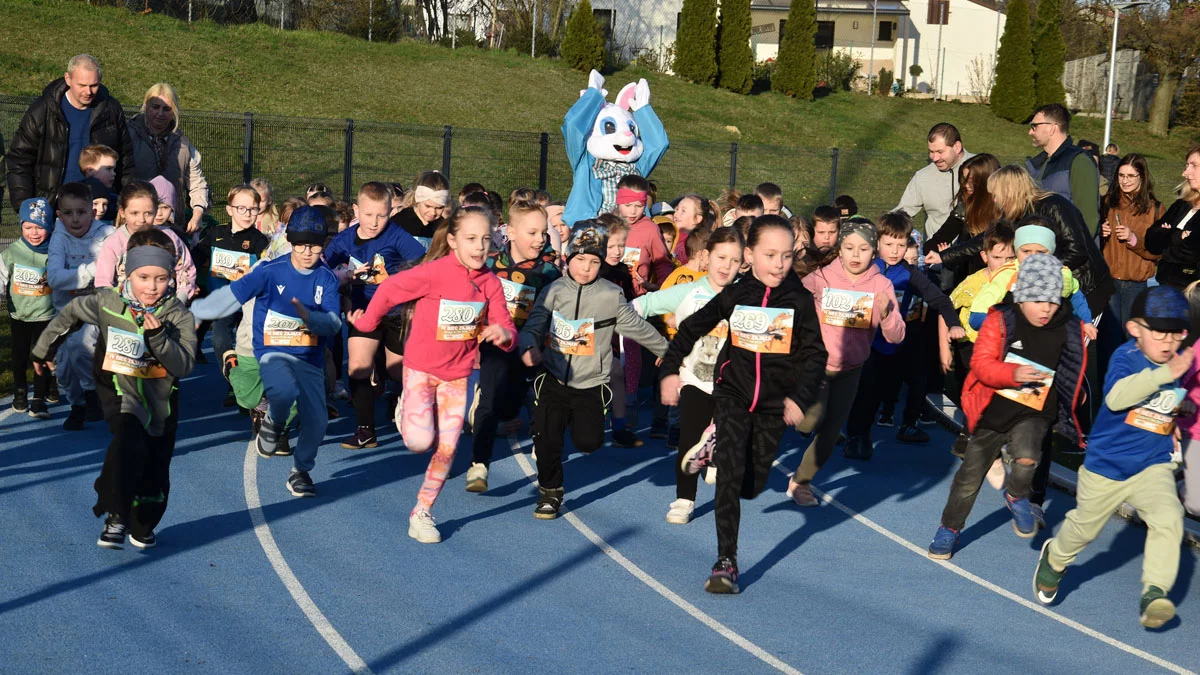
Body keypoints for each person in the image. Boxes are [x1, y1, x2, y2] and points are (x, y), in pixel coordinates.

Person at [662, 216, 826, 593]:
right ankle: (726, 562)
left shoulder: (798, 300)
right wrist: (671, 369)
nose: (779, 264)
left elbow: (816, 355)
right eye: (770, 255)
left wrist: (799, 398)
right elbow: (691, 327)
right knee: (730, 478)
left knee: (752, 485)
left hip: (772, 405)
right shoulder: (737, 294)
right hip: (733, 394)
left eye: (786, 256)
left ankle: (715, 443)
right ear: (749, 255)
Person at [351, 205, 516, 543]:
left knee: (448, 448)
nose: (479, 246)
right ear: (453, 240)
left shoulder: (491, 284)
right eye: (471, 238)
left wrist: (503, 334)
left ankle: (422, 512)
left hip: (458, 376)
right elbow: (387, 291)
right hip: (421, 371)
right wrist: (366, 323)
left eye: (486, 239)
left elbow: (508, 328)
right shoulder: (433, 272)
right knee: (419, 442)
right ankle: (405, 407)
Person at [1034, 286, 1190, 629]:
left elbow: (1164, 404)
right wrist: (1167, 374)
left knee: (1169, 517)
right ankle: (1055, 558)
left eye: (1175, 334)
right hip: (1107, 467)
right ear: (1136, 329)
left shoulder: (1176, 364)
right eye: (1159, 332)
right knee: (1084, 530)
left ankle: (1154, 593)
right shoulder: (1126, 357)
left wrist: (1181, 410)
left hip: (1153, 465)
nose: (1167, 342)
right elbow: (1119, 399)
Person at [32, 228, 197, 550]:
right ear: (126, 272)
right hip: (119, 390)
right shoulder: (108, 303)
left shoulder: (178, 316)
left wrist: (160, 338)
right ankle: (117, 511)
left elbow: (185, 365)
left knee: (155, 467)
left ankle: (142, 522)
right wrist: (43, 350)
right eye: (144, 277)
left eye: (161, 279)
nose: (152, 287)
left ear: (172, 278)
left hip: (162, 401)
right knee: (126, 441)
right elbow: (71, 314)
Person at [928, 254, 1089, 559]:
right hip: (993, 409)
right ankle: (949, 528)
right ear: (1022, 295)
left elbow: (1073, 365)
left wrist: (1074, 393)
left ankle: (1017, 495)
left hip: (1035, 410)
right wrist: (1012, 374)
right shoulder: (1002, 320)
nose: (1046, 308)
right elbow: (980, 365)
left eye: (1053, 301)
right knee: (969, 477)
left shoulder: (1067, 326)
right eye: (1038, 300)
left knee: (1028, 457)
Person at [518, 220, 668, 520]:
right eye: (581, 260)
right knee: (546, 438)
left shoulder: (610, 295)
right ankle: (550, 491)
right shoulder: (553, 290)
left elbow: (636, 327)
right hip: (554, 376)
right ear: (569, 258)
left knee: (589, 442)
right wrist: (528, 346)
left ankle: (582, 424)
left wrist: (669, 351)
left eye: (594, 261)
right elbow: (533, 325)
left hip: (591, 383)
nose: (586, 268)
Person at [191, 207, 343, 499]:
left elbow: (333, 323)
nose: (307, 252)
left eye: (314, 246)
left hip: (309, 358)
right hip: (273, 351)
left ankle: (300, 471)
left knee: (317, 420)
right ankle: (273, 421)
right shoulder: (270, 271)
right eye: (301, 245)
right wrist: (200, 311)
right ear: (290, 242)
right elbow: (233, 294)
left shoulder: (326, 279)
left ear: (323, 244)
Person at [786, 218, 906, 506]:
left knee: (829, 436)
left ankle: (800, 482)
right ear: (839, 249)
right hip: (815, 366)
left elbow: (897, 336)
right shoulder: (821, 278)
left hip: (851, 370)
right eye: (849, 247)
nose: (855, 255)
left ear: (873, 252)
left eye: (863, 249)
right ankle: (797, 413)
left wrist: (887, 313)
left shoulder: (881, 285)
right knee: (811, 419)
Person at [634, 226, 744, 524]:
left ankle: (719, 450)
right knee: (688, 441)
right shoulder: (688, 292)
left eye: (734, 261)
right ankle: (684, 499)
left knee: (734, 428)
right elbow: (641, 307)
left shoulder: (746, 295)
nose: (726, 266)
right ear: (706, 257)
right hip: (694, 379)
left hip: (732, 383)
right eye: (721, 257)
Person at [844, 212, 964, 453]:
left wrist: (953, 323)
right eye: (889, 244)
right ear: (877, 243)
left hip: (896, 340)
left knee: (901, 383)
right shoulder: (867, 267)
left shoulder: (910, 274)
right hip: (866, 342)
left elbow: (939, 299)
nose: (895, 251)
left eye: (901, 245)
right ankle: (857, 435)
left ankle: (904, 424)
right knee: (866, 392)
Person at [465, 200, 561, 493]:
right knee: (490, 402)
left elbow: (560, 313)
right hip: (496, 344)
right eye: (532, 233)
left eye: (543, 233)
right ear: (511, 232)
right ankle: (479, 464)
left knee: (509, 409)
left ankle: (525, 418)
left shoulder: (549, 272)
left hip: (529, 348)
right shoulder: (490, 264)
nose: (540, 239)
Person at [928, 165, 1113, 317]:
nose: (994, 199)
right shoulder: (1015, 215)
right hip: (1055, 289)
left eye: (995, 193)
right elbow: (986, 239)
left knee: (1080, 347)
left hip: (1087, 288)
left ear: (1008, 192)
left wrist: (1033, 271)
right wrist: (943, 256)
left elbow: (1077, 250)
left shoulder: (1054, 205)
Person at [322, 181, 425, 450]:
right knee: (358, 366)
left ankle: (411, 409)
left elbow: (424, 264)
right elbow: (322, 267)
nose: (374, 221)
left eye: (381, 215)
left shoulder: (396, 236)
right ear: (356, 210)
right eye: (368, 215)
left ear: (391, 212)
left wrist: (406, 286)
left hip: (396, 313)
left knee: (398, 372)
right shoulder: (345, 240)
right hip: (362, 312)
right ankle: (365, 430)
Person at [6, 55, 134, 210]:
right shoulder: (43, 110)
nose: (88, 91)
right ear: (68, 79)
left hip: (100, 208)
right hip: (52, 207)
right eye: (82, 85)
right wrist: (26, 208)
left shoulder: (111, 110)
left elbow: (126, 161)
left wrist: (126, 203)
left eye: (94, 85)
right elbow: (19, 159)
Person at [46, 181, 113, 430]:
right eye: (68, 213)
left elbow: (115, 272)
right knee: (63, 367)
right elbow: (54, 278)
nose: (75, 219)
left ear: (93, 212)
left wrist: (73, 276)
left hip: (97, 309)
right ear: (59, 215)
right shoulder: (58, 238)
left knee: (80, 344)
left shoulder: (107, 235)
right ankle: (78, 405)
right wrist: (93, 271)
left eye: (82, 212)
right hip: (65, 311)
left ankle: (91, 393)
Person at [192, 184, 272, 378]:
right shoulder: (215, 234)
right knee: (219, 340)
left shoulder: (260, 241)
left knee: (252, 346)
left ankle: (253, 385)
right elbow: (195, 258)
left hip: (249, 305)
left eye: (253, 209)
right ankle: (232, 380)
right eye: (241, 208)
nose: (247, 213)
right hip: (224, 303)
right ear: (229, 209)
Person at [1098, 154, 1163, 369]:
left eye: (1131, 176)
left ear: (1142, 177)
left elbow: (1159, 252)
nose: (1125, 181)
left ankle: (1130, 389)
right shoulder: (1108, 202)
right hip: (1110, 282)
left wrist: (1135, 239)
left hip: (1136, 284)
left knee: (1131, 340)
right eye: (1121, 176)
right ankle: (1105, 392)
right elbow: (1095, 244)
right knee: (1107, 341)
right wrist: (1102, 233)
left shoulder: (1155, 209)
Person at [127, 83, 210, 237]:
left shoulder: (184, 145)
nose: (160, 113)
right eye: (155, 107)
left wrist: (197, 213)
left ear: (174, 112)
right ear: (146, 106)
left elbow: (197, 183)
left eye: (167, 109)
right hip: (136, 225)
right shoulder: (128, 135)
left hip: (172, 227)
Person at [94, 180, 196, 303]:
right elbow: (103, 281)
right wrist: (116, 309)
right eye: (134, 213)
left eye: (148, 213)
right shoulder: (113, 243)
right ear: (122, 212)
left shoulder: (170, 237)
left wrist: (180, 301)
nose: (141, 219)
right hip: (124, 311)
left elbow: (186, 270)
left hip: (165, 307)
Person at [2, 198, 56, 418]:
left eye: (40, 227)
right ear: (21, 226)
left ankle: (39, 399)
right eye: (28, 227)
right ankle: (20, 391)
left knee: (42, 357)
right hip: (20, 316)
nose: (34, 233)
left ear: (50, 226)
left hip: (47, 316)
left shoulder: (55, 250)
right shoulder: (12, 252)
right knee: (19, 356)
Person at [1025, 103, 1101, 235]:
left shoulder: (1079, 161)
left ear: (1051, 128)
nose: (1030, 132)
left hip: (1068, 252)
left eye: (1034, 126)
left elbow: (1088, 219)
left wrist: (1071, 253)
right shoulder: (1038, 164)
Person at [925, 153, 1001, 280]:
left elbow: (983, 241)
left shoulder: (1002, 209)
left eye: (972, 182)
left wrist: (949, 255)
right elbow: (944, 234)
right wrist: (919, 253)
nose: (966, 185)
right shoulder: (966, 203)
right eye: (964, 180)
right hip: (965, 276)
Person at [896, 123, 975, 240]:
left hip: (976, 250)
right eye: (931, 152)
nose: (934, 158)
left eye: (940, 152)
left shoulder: (982, 169)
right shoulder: (923, 177)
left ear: (957, 147)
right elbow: (903, 212)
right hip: (935, 252)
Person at [1143, 145, 1200, 290]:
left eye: (1193, 166)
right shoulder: (1182, 204)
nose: (1185, 173)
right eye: (1186, 166)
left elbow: (1191, 253)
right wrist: (1177, 235)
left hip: (1193, 294)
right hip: (1166, 287)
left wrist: (1167, 237)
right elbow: (1151, 240)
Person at [390, 171, 449, 249]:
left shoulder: (443, 227)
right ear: (418, 199)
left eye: (439, 208)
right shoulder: (399, 222)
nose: (433, 212)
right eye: (428, 206)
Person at [670, 194, 714, 265]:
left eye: (683, 211)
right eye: (677, 209)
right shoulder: (670, 233)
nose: (676, 213)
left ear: (697, 219)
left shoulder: (698, 242)